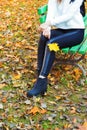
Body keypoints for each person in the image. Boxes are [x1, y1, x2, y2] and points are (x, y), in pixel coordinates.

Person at [27, 0, 85, 97]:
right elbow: (51, 13)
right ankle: (41, 76)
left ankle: (42, 79)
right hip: (62, 31)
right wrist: (47, 28)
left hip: (76, 32)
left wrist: (49, 23)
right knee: (43, 37)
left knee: (51, 44)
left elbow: (69, 16)